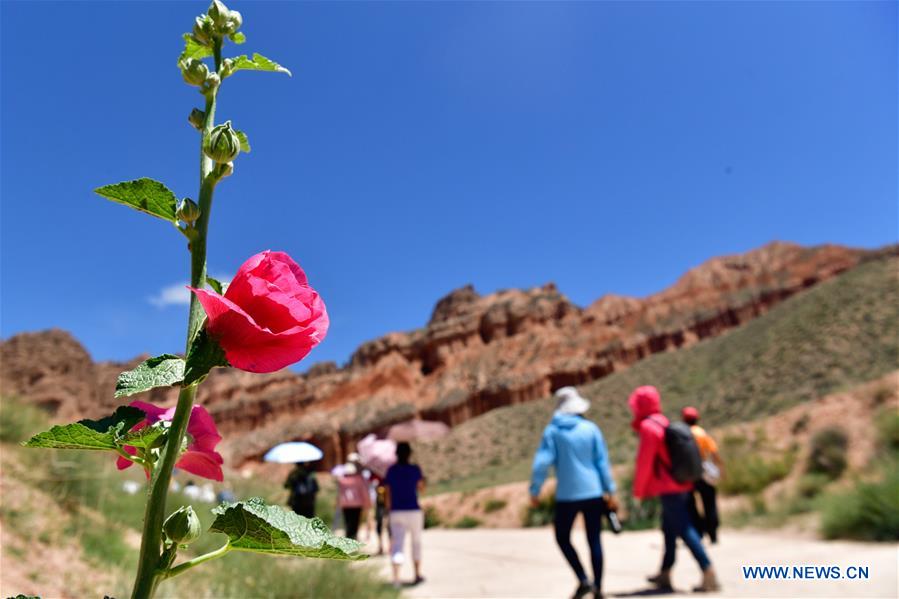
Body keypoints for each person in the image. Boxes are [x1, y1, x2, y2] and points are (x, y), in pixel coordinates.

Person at [629, 386, 720, 593]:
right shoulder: (663, 421)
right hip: (681, 483)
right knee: (669, 530)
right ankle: (665, 572)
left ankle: (708, 571)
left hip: (668, 486)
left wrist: (639, 490)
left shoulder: (648, 427)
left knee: (685, 529)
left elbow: (645, 462)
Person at [530, 386, 618, 599]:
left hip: (567, 495)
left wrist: (535, 489)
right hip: (594, 492)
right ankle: (598, 588)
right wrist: (610, 490)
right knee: (594, 540)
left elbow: (541, 463)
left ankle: (583, 579)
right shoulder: (591, 429)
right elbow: (601, 462)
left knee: (562, 537)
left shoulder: (553, 431)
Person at [384, 442, 425, 588]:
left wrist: (389, 509)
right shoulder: (415, 469)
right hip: (413, 510)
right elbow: (421, 489)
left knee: (398, 544)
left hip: (396, 511)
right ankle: (417, 574)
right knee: (416, 543)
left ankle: (396, 578)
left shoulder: (391, 471)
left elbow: (387, 493)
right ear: (409, 454)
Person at [682, 406, 723, 543]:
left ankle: (698, 532)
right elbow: (714, 452)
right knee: (709, 503)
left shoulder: (683, 434)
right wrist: (720, 469)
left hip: (689, 473)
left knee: (691, 504)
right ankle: (713, 534)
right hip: (704, 471)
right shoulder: (702, 433)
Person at [336, 456, 371, 540]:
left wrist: (338, 502)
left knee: (347, 521)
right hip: (357, 504)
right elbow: (363, 492)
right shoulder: (358, 479)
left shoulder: (342, 480)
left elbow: (340, 493)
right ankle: (353, 537)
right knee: (355, 522)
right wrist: (367, 503)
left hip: (346, 504)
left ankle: (349, 537)